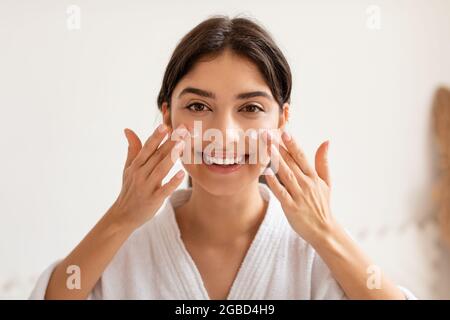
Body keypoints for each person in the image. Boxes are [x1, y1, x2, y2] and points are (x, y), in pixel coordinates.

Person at [30, 15, 416, 300]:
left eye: (249, 108)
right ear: (166, 115)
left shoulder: (316, 254)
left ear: (282, 119)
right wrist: (120, 217)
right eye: (198, 106)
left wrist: (326, 233)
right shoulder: (124, 253)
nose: (224, 135)